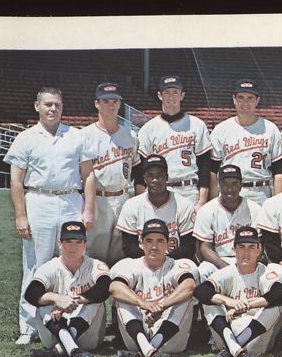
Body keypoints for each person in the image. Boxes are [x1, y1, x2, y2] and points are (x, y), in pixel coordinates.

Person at [4, 86, 96, 344]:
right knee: (36, 264)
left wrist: (88, 208)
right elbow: (16, 181)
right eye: (47, 104)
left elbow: (88, 175)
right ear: (37, 106)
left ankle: (72, 316)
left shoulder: (76, 136)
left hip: (70, 200)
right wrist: (21, 216)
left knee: (74, 261)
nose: (52, 109)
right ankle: (29, 325)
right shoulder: (26, 137)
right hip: (39, 200)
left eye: (57, 104)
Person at [109, 219, 198, 357]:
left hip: (169, 336)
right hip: (138, 331)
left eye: (160, 241)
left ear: (168, 244)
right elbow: (115, 287)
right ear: (141, 243)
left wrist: (160, 306)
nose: (154, 246)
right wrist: (144, 304)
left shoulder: (178, 264)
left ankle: (144, 352)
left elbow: (189, 285)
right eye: (149, 241)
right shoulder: (130, 264)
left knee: (185, 298)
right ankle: (149, 351)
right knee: (122, 298)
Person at [194, 226, 282, 357]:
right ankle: (236, 350)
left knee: (278, 305)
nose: (246, 252)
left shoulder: (265, 272)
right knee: (209, 301)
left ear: (259, 250)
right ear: (234, 250)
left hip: (256, 337)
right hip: (228, 333)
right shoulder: (228, 271)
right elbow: (201, 291)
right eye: (241, 247)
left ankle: (230, 350)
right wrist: (228, 301)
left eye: (251, 247)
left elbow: (278, 293)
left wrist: (247, 305)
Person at [24, 221, 110, 357]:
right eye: (68, 241)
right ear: (60, 243)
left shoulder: (95, 265)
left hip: (88, 335)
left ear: (85, 244)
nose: (73, 247)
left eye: (78, 242)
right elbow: (31, 294)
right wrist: (56, 298)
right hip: (54, 333)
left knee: (95, 301)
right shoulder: (49, 267)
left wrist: (73, 301)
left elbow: (104, 287)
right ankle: (74, 351)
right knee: (43, 302)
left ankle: (57, 352)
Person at [80, 82, 140, 265]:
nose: (111, 105)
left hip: (123, 197)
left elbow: (137, 170)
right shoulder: (85, 135)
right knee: (94, 251)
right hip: (98, 198)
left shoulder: (130, 136)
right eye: (106, 101)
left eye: (115, 101)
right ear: (97, 103)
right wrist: (88, 208)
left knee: (120, 252)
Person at [136, 75, 212, 208]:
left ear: (182, 95)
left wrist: (202, 201)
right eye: (167, 92)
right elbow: (141, 170)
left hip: (189, 190)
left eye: (175, 92)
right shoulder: (148, 129)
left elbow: (205, 166)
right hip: (159, 191)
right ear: (160, 95)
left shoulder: (197, 125)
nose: (171, 97)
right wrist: (141, 201)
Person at [210, 79, 282, 206]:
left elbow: (279, 171)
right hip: (230, 192)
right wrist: (212, 202)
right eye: (241, 97)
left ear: (257, 100)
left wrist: (278, 204)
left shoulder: (270, 129)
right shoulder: (221, 130)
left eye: (250, 98)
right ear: (234, 99)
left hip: (261, 192)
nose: (245, 102)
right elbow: (213, 171)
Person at [116, 154, 195, 260]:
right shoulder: (131, 205)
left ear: (167, 177)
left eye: (159, 175)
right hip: (142, 262)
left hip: (175, 262)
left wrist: (164, 262)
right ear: (144, 178)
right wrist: (151, 261)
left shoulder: (184, 204)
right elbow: (129, 247)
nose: (155, 180)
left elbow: (188, 247)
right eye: (150, 175)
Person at [194, 164, 260, 280]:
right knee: (202, 271)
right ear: (219, 185)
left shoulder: (254, 209)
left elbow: (260, 246)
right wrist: (225, 267)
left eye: (234, 184)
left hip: (248, 260)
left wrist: (246, 265)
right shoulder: (207, 210)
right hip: (219, 260)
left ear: (241, 185)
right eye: (225, 184)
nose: (230, 189)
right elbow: (205, 248)